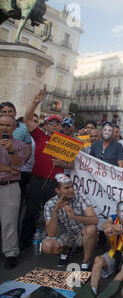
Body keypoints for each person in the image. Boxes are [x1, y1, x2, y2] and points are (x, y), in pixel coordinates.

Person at [20, 90, 74, 249]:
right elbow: (27, 119)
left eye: (58, 123)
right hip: (37, 180)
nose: (55, 125)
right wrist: (35, 102)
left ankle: (55, 241)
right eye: (51, 123)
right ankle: (25, 241)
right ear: (46, 125)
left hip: (55, 184)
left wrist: (62, 163)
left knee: (56, 213)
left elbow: (71, 165)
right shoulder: (39, 136)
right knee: (30, 212)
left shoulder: (67, 142)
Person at [74, 201, 123, 298]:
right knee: (98, 260)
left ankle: (109, 291)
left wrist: (120, 231)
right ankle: (92, 290)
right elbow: (105, 225)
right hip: (112, 253)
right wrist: (112, 228)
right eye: (122, 210)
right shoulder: (113, 217)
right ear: (117, 212)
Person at [41, 174, 98, 270]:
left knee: (92, 229)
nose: (71, 190)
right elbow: (51, 233)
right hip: (64, 235)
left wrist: (74, 217)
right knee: (47, 246)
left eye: (72, 186)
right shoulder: (50, 204)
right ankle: (66, 251)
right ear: (57, 190)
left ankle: (85, 262)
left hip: (81, 233)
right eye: (66, 188)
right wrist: (55, 210)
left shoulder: (80, 196)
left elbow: (95, 220)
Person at [0, 115, 27, 269]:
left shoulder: (20, 145)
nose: (4, 128)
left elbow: (17, 167)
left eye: (8, 125)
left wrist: (11, 151)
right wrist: (7, 168)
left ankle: (10, 253)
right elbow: (11, 168)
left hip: (10, 185)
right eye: (1, 124)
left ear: (14, 127)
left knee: (9, 222)